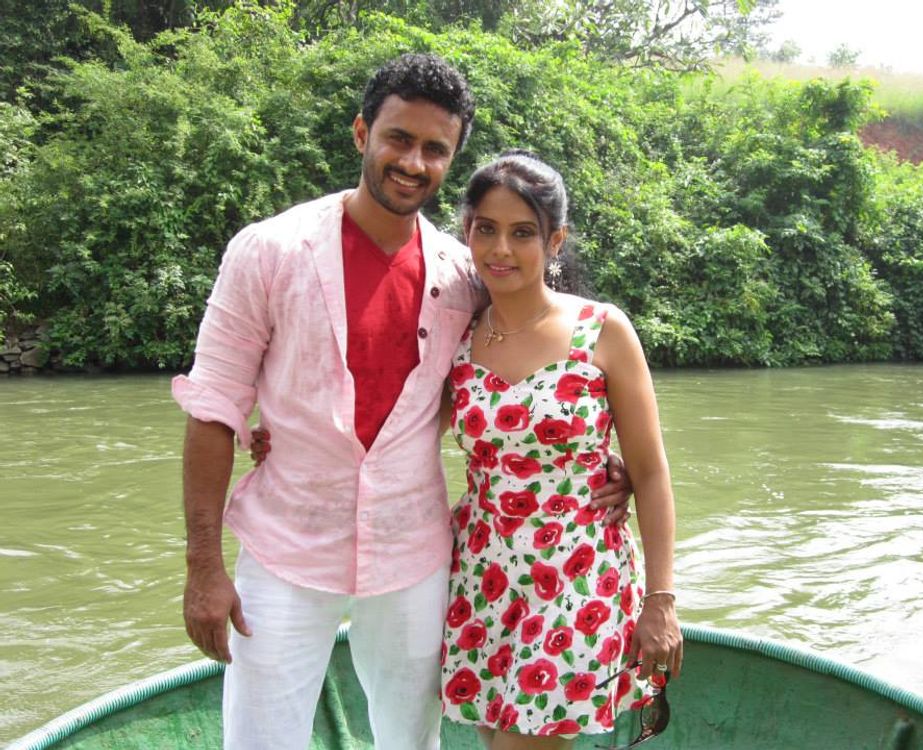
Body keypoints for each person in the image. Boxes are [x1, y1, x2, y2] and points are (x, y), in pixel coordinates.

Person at [172, 54, 631, 750]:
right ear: (362, 133)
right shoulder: (268, 252)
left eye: (435, 149)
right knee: (261, 738)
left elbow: (532, 373)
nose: (414, 162)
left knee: (413, 739)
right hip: (287, 542)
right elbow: (212, 410)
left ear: (452, 159)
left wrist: (607, 467)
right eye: (399, 139)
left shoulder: (464, 274)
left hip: (412, 548)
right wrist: (203, 567)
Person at [438, 151, 682, 750]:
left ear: (555, 241)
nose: (501, 249)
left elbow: (651, 473)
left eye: (523, 233)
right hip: (481, 575)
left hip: (576, 573)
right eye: (486, 229)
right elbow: (395, 432)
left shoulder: (602, 330)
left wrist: (661, 599)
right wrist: (279, 438)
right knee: (500, 740)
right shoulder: (456, 336)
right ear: (467, 231)